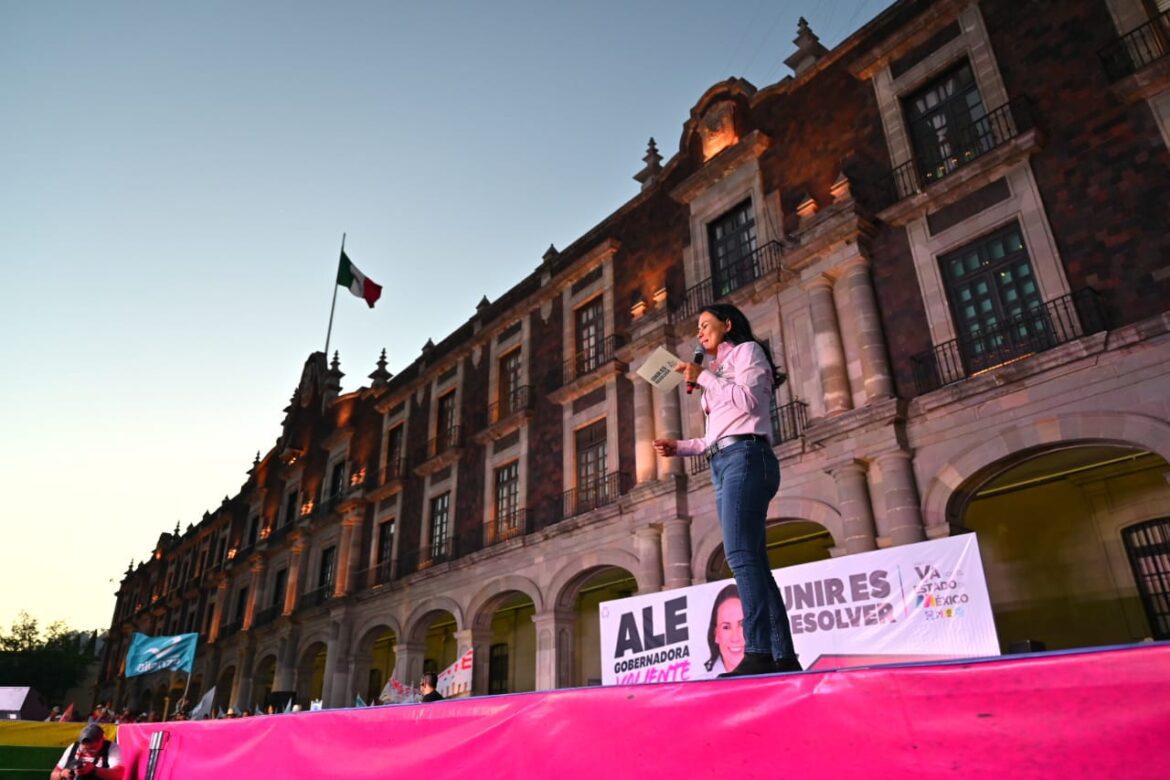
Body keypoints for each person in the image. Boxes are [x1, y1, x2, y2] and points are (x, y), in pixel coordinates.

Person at [653, 303, 800, 677]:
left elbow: (750, 402)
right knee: (754, 563)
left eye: (706, 325)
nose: (700, 334)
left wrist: (702, 376)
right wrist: (680, 446)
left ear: (727, 324)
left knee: (741, 557)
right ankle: (783, 655)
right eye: (698, 329)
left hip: (747, 456)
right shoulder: (716, 372)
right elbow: (714, 436)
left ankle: (759, 651)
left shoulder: (749, 352)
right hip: (725, 460)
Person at [50, 723, 124, 780]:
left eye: (92, 748)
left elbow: (119, 775)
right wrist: (62, 774)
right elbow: (53, 776)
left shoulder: (111, 748)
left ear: (102, 740)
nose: (88, 752)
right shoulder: (74, 747)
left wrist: (94, 770)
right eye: (84, 749)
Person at [704, 584, 745, 675]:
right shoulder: (697, 688)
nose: (735, 638)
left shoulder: (778, 681)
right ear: (716, 635)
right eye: (726, 627)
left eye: (742, 625)